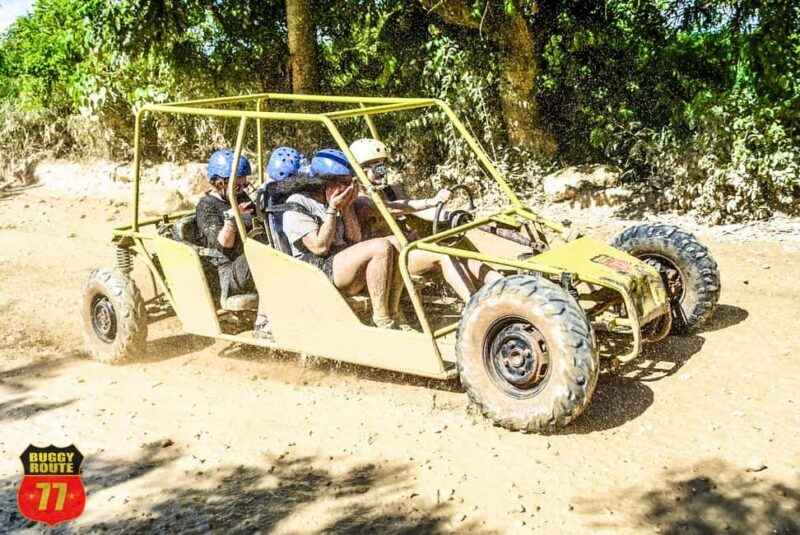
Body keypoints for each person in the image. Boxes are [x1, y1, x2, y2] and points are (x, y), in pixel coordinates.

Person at [348, 138, 502, 322]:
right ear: (360, 169)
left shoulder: (389, 190)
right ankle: (476, 310)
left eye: (383, 166)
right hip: (387, 262)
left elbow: (421, 211)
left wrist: (452, 214)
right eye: (376, 168)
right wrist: (431, 200)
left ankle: (508, 288)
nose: (382, 172)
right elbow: (393, 207)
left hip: (406, 250)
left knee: (458, 253)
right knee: (443, 255)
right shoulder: (358, 199)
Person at [282, 149, 399, 329]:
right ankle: (383, 321)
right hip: (314, 270)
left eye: (350, 182)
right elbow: (319, 248)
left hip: (340, 264)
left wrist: (345, 209)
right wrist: (333, 209)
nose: (349, 188)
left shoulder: (341, 199)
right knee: (380, 246)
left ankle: (395, 312)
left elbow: (355, 239)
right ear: (325, 183)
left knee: (395, 242)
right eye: (344, 183)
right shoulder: (297, 203)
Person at [195, 149, 271, 336]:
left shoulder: (240, 197)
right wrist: (231, 218)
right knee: (267, 258)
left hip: (248, 260)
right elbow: (223, 245)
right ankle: (262, 323)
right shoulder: (207, 206)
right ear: (219, 182)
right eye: (238, 184)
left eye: (244, 183)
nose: (243, 188)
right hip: (229, 273)